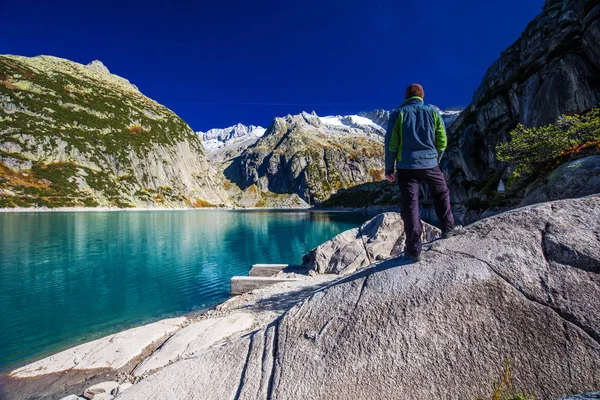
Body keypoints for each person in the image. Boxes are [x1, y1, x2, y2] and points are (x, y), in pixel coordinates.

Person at [384, 83, 458, 262]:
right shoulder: (433, 112)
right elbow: (442, 140)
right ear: (422, 96)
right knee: (441, 194)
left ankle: (414, 250)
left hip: (406, 168)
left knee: (411, 206)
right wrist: (435, 159)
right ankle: (448, 229)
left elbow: (391, 144)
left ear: (406, 98)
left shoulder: (398, 114)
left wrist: (389, 169)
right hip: (431, 165)